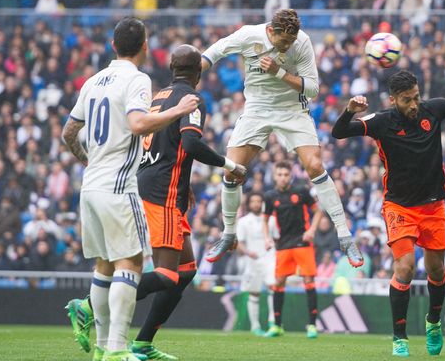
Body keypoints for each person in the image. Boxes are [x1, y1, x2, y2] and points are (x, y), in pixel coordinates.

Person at [66, 44, 244, 360]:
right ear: (199, 73)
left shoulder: (159, 95)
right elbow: (190, 143)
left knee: (187, 270)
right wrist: (230, 165)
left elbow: (167, 143)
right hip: (161, 194)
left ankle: (143, 342)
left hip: (163, 189)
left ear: (172, 70)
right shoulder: (191, 100)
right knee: (166, 275)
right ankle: (89, 307)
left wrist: (184, 183)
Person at [332, 60, 445, 357]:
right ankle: (400, 338)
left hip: (433, 205)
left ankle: (433, 322)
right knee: (406, 268)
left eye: (416, 96)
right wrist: (349, 110)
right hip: (398, 205)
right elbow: (339, 132)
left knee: (436, 270)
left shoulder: (433, 109)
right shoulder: (382, 122)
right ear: (393, 100)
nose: (414, 104)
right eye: (407, 99)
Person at [62, 19, 199, 361]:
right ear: (144, 47)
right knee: (131, 263)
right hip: (119, 185)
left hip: (91, 185)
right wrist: (179, 111)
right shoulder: (137, 79)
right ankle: (118, 348)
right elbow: (138, 123)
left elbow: (68, 132)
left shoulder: (91, 81)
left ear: (112, 45)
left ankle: (102, 349)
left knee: (104, 265)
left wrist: (89, 160)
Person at [200, 8, 362, 268]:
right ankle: (228, 234)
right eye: (283, 42)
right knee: (232, 171)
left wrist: (279, 72)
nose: (287, 47)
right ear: (270, 32)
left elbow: (313, 88)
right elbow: (217, 50)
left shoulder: (302, 42)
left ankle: (345, 236)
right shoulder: (248, 35)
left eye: (291, 42)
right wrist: (197, 69)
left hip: (292, 110)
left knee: (315, 166)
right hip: (257, 110)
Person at [261, 161, 322, 339]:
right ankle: (277, 326)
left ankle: (312, 325)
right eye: (279, 174)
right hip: (283, 244)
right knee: (279, 282)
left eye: (285, 175)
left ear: (290, 176)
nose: (282, 178)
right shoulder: (270, 196)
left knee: (308, 280)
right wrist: (266, 238)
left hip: (302, 242)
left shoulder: (302, 191)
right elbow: (265, 220)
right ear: (275, 176)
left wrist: (311, 231)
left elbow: (318, 212)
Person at [237, 192, 277, 336]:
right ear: (249, 204)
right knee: (254, 293)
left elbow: (277, 238)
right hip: (252, 261)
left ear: (263, 203)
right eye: (253, 201)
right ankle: (255, 326)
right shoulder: (243, 221)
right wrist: (248, 252)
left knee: (273, 288)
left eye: (258, 201)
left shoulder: (271, 220)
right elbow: (239, 243)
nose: (256, 204)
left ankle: (273, 323)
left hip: (270, 258)